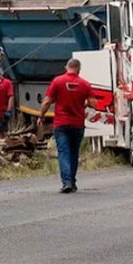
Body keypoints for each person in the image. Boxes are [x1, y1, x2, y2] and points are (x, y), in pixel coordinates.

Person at [38, 59, 96, 193]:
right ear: (79, 69)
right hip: (77, 124)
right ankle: (72, 181)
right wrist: (84, 104)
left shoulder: (57, 81)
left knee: (64, 152)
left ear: (66, 67)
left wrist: (41, 116)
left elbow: (47, 101)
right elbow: (93, 104)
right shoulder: (85, 84)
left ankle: (67, 182)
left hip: (61, 124)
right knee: (74, 153)